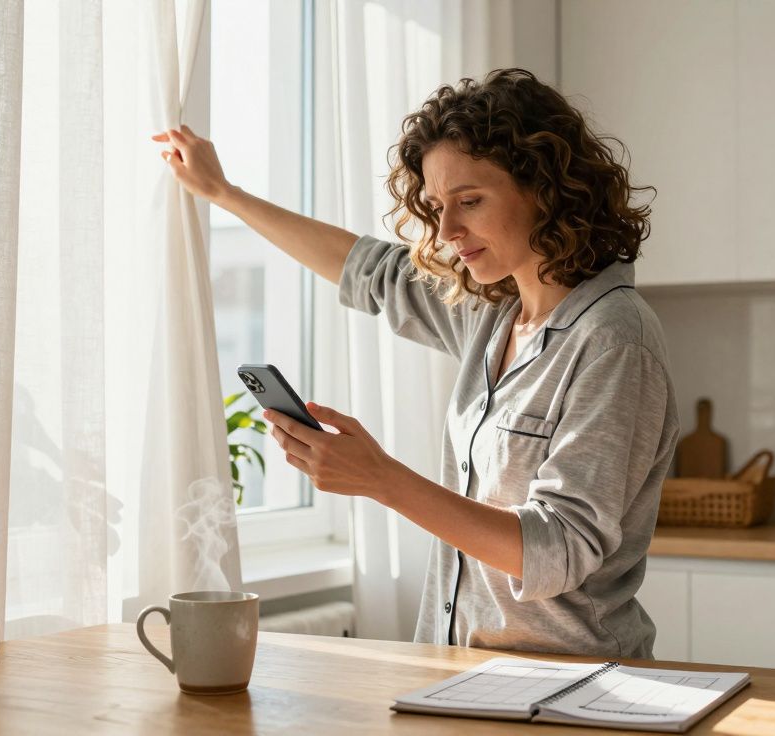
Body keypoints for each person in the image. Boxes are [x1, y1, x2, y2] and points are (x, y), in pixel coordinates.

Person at [152, 68, 678, 659]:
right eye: (436, 206)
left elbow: (558, 550)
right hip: (461, 671)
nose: (448, 230)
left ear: (546, 189)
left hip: (572, 688)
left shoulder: (613, 341)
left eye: (470, 201)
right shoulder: (493, 314)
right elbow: (368, 270)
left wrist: (382, 480)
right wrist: (224, 195)